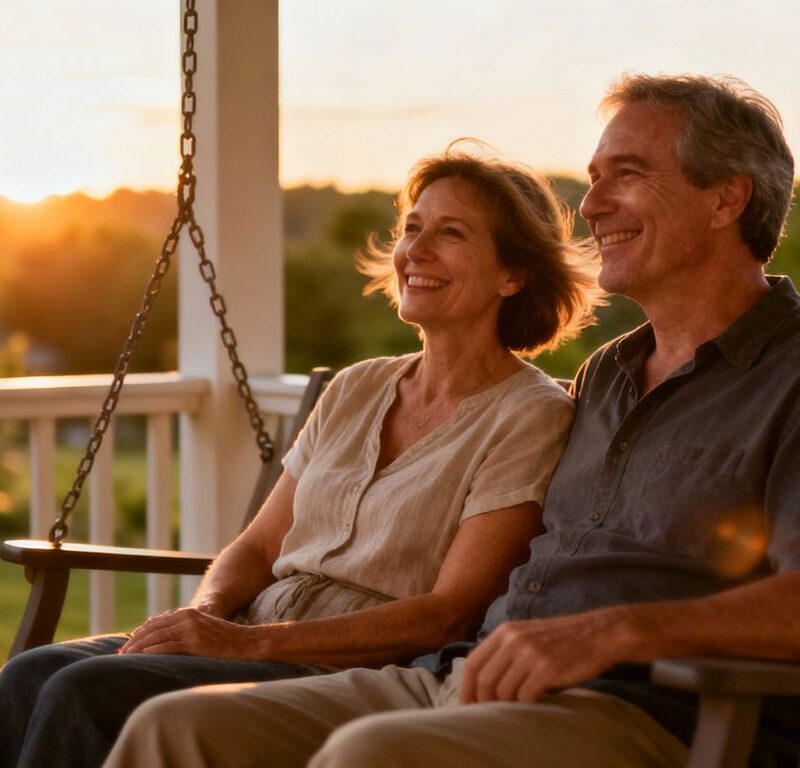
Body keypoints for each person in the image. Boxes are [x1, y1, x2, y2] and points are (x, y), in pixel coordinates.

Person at [105, 73, 800, 768]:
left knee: (371, 756)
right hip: (465, 674)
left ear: (725, 197)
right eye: (592, 178)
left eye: (628, 174)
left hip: (649, 710)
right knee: (176, 727)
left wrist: (610, 633)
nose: (589, 205)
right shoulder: (608, 374)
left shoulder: (788, 375)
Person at [0, 147, 599, 768]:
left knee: (84, 693)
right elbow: (259, 548)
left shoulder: (528, 415)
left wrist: (244, 645)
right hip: (250, 630)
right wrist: (205, 616)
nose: (415, 252)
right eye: (412, 228)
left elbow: (448, 614)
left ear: (514, 275)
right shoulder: (357, 386)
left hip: (349, 666)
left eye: (451, 234)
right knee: (29, 672)